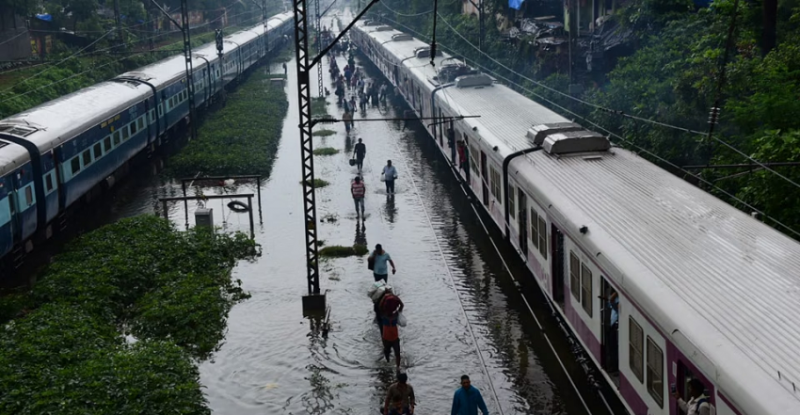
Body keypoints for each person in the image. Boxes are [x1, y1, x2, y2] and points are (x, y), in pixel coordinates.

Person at [379, 289, 403, 370]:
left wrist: (385, 297)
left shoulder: (384, 316)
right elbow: (402, 305)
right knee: (397, 353)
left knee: (388, 352)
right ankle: (397, 367)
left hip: (387, 338)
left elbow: (380, 306)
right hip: (394, 338)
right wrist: (395, 297)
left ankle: (391, 364)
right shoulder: (395, 316)